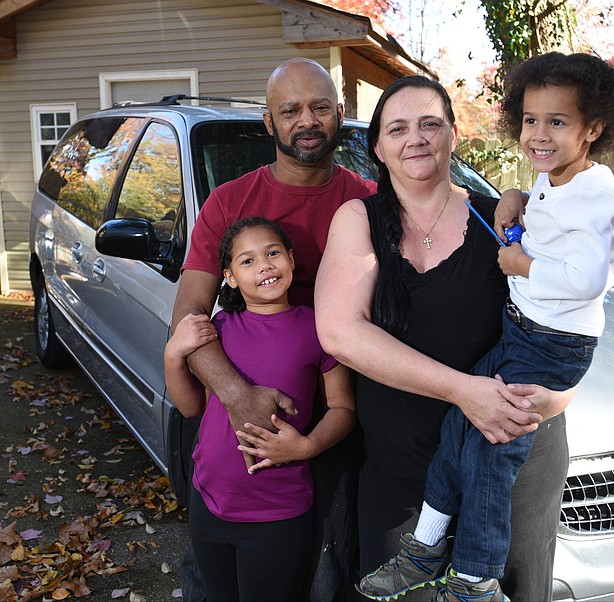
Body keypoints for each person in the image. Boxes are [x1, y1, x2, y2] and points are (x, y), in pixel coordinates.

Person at [355, 51, 614, 601]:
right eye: (531, 120)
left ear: (593, 128)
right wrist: (518, 197)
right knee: (460, 426)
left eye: (557, 122)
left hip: (548, 347)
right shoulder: (556, 184)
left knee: (489, 454)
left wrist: (521, 265)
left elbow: (585, 277)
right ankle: (427, 546)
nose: (539, 133)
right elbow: (548, 218)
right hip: (525, 336)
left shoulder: (595, 196)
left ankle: (475, 579)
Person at [312, 75, 576, 602]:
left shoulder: (503, 217)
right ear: (379, 148)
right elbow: (340, 332)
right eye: (398, 128)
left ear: (453, 136)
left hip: (505, 464)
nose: (416, 138)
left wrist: (555, 397)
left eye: (431, 124)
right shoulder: (357, 220)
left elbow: (567, 316)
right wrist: (463, 391)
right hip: (403, 473)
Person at [173, 57, 377, 601]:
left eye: (319, 107)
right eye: (290, 110)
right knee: (215, 569)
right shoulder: (230, 203)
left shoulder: (368, 203)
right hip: (238, 431)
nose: (306, 120)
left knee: (323, 567)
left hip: (333, 419)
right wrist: (239, 396)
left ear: (339, 113)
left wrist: (511, 204)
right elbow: (188, 321)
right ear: (269, 123)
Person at [165, 217, 355, 601]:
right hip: (210, 502)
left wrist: (307, 446)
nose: (264, 265)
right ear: (229, 277)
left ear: (291, 259)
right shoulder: (218, 330)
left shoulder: (318, 329)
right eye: (247, 261)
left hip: (278, 513)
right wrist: (174, 354)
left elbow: (343, 408)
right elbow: (191, 408)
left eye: (272, 253)